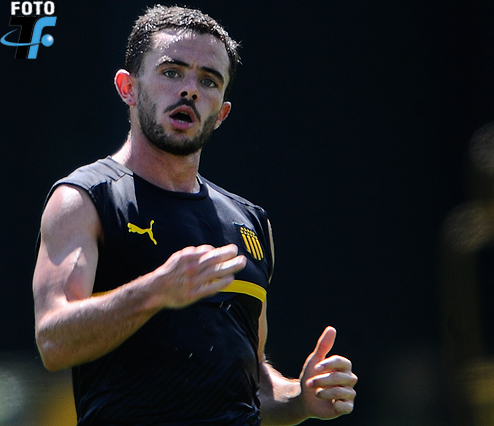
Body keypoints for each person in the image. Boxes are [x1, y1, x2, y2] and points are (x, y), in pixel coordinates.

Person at [32, 5, 357, 426]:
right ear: (128, 88)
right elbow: (52, 339)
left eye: (208, 81)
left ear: (221, 113)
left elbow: (253, 384)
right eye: (172, 72)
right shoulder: (85, 199)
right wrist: (155, 291)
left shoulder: (250, 222)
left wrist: (300, 397)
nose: (189, 91)